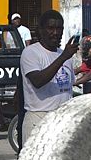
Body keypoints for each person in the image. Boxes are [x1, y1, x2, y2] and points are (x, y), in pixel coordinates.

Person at [19, 10, 78, 145]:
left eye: (59, 28)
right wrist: (63, 57)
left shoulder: (64, 55)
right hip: (38, 118)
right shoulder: (31, 52)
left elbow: (67, 89)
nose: (55, 33)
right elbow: (38, 81)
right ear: (40, 30)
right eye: (51, 28)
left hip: (62, 121)